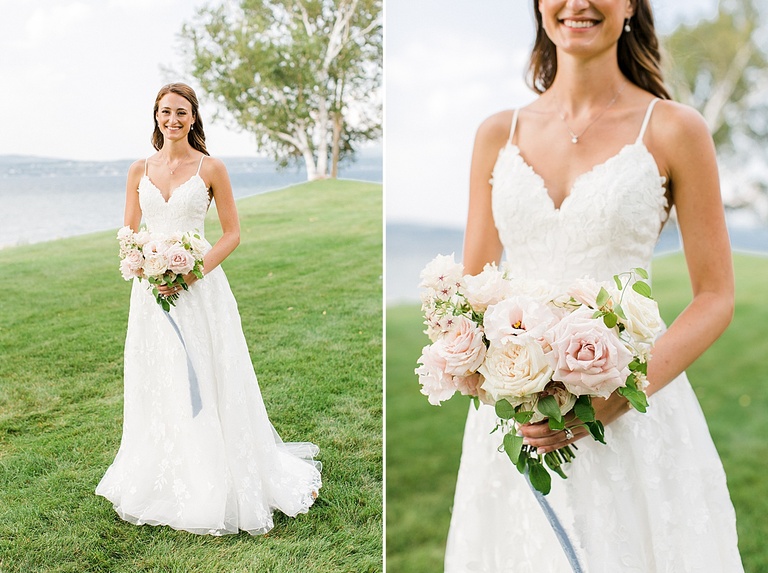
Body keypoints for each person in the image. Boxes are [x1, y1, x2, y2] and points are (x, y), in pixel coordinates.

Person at [444, 1, 744, 571]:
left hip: (636, 409)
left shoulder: (676, 128)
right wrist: (486, 370)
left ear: (630, 4)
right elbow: (473, 288)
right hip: (515, 414)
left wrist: (611, 401)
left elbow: (715, 296)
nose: (578, 3)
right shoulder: (496, 133)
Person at [96, 83, 321, 536]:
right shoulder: (138, 169)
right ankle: (163, 468)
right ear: (155, 116)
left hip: (200, 290)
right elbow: (129, 230)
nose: (173, 119)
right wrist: (141, 261)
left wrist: (192, 272)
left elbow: (232, 233)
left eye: (182, 112)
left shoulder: (211, 168)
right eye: (166, 112)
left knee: (206, 372)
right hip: (150, 294)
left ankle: (218, 475)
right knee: (158, 374)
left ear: (194, 118)